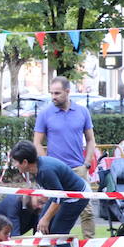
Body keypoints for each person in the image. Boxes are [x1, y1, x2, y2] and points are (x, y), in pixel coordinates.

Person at [32, 77, 97, 238]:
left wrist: (87, 163)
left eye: (57, 93)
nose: (53, 96)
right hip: (57, 172)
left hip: (78, 168)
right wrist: (46, 163)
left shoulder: (82, 112)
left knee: (87, 211)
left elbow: (90, 139)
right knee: (54, 206)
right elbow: (37, 142)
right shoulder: (45, 114)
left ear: (68, 92)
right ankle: (51, 245)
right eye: (51, 93)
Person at [9, 140, 86, 247]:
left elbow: (59, 197)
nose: (14, 165)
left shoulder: (45, 171)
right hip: (62, 195)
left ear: (24, 162)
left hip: (77, 196)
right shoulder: (37, 168)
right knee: (42, 226)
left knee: (58, 233)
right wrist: (44, 219)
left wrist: (47, 218)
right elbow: (55, 193)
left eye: (15, 162)